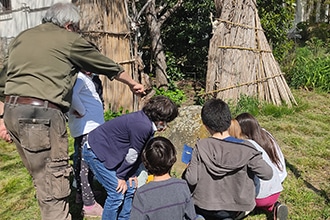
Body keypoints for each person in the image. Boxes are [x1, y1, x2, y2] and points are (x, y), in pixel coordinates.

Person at [0, 2, 145, 220]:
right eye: (76, 27)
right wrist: (132, 83)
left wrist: (2, 119)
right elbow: (103, 64)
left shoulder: (23, 37)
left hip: (13, 112)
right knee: (54, 181)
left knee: (41, 177)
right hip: (41, 117)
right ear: (69, 25)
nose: (77, 31)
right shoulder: (68, 39)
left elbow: (3, 82)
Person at [82, 95, 178, 220]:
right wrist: (121, 176)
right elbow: (132, 155)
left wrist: (131, 173)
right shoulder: (142, 126)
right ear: (161, 119)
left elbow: (138, 150)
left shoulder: (146, 121)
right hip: (95, 151)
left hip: (113, 152)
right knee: (116, 193)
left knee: (131, 187)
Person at [182, 98, 273, 220]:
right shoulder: (247, 149)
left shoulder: (201, 146)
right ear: (230, 122)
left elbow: (191, 179)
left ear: (205, 125)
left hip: (204, 205)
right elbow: (267, 174)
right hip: (234, 207)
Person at [234, 113, 288, 220]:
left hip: (258, 195)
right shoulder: (266, 134)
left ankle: (242, 208)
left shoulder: (246, 145)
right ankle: (273, 206)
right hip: (277, 186)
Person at [130, 136, 198, 220]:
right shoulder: (182, 185)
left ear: (146, 161)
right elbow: (192, 216)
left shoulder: (142, 194)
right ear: (173, 158)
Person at [68, 69, 105, 217]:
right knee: (86, 164)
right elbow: (72, 95)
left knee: (84, 163)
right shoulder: (80, 78)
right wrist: (82, 111)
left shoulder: (85, 78)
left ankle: (82, 194)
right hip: (87, 127)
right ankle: (89, 204)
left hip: (87, 126)